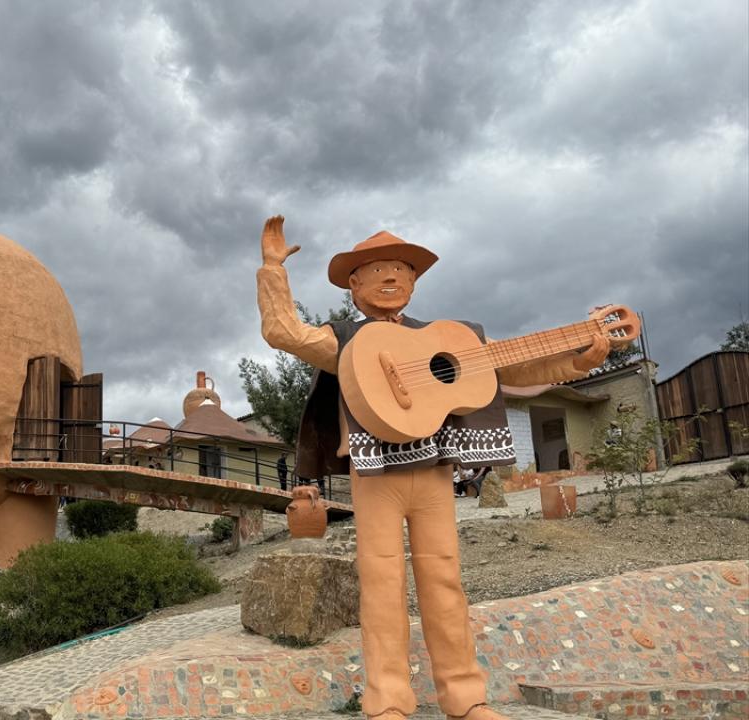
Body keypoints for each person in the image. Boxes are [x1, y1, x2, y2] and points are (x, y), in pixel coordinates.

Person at [256, 217, 608, 720]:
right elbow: (283, 331)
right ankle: (387, 701)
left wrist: (579, 360)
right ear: (354, 284)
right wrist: (272, 271)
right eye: (378, 269)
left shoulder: (446, 338)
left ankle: (466, 699)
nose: (393, 277)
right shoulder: (346, 341)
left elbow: (513, 367)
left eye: (402, 269)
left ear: (415, 282)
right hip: (375, 476)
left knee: (445, 581)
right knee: (381, 585)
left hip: (436, 470)